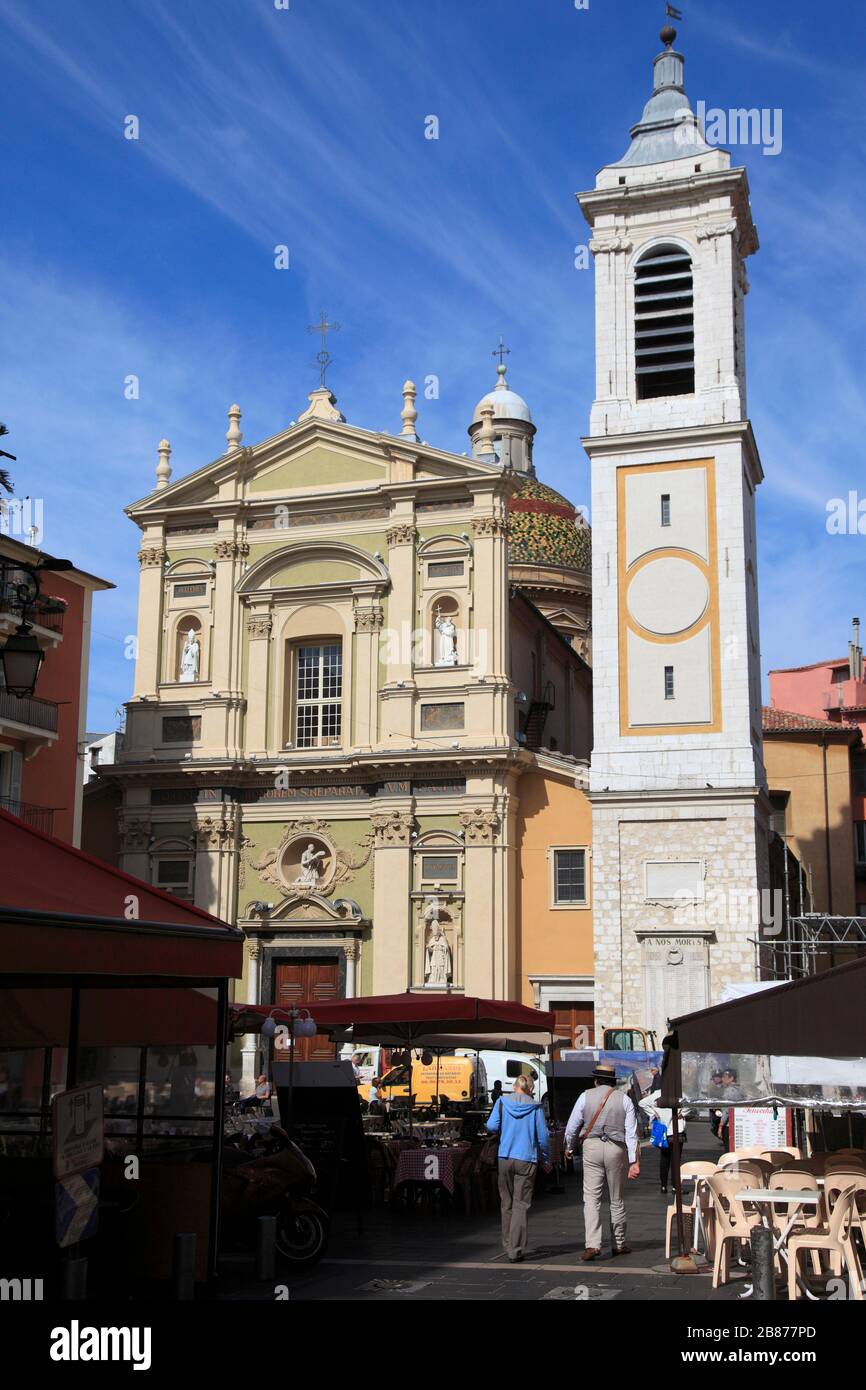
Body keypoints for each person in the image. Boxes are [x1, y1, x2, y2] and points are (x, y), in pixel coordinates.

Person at [564, 1062, 640, 1261]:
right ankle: (619, 1243)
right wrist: (634, 1161)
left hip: (591, 1147)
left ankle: (592, 1245)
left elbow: (572, 1126)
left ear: (596, 1080)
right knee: (616, 1198)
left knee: (591, 1198)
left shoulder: (585, 1096)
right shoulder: (624, 1100)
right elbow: (632, 1134)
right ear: (613, 1083)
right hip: (616, 1148)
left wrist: (570, 1147)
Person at [486, 1074, 551, 1263]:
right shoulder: (534, 1107)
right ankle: (515, 1249)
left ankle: (507, 1244)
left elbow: (491, 1126)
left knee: (506, 1203)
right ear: (530, 1089)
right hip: (526, 1158)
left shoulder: (501, 1102)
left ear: (515, 1086)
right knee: (520, 1204)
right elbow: (543, 1138)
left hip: (504, 1157)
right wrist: (546, 1158)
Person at [640, 1087, 687, 1193]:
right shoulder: (679, 1093)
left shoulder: (657, 1093)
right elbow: (690, 1104)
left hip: (662, 1130)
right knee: (676, 1160)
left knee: (664, 1158)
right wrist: (683, 1113)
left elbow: (642, 1103)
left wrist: (653, 1114)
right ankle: (675, 1186)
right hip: (677, 1130)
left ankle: (663, 1185)